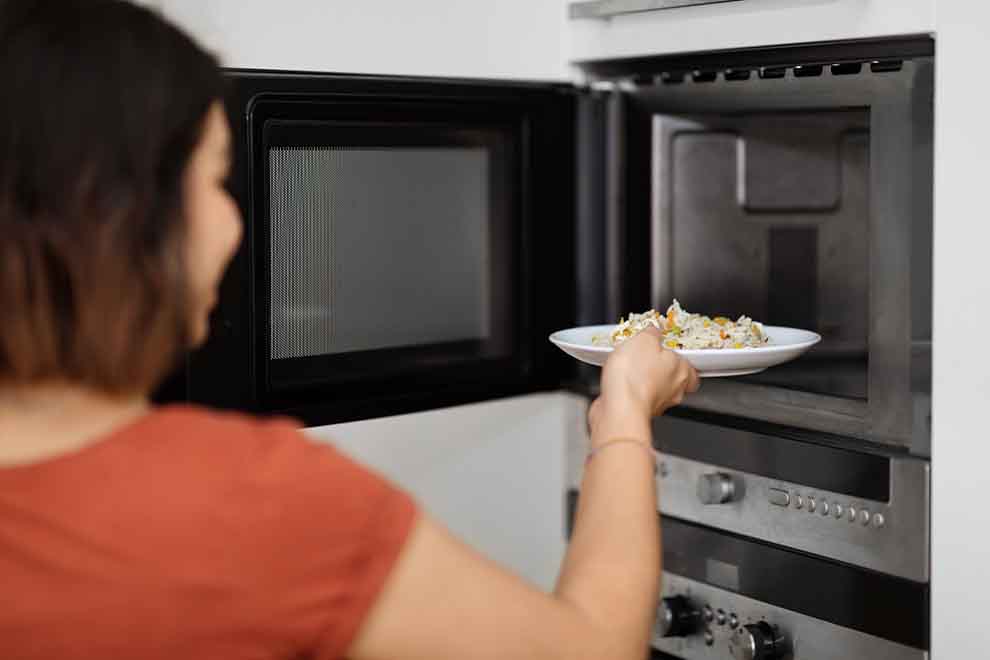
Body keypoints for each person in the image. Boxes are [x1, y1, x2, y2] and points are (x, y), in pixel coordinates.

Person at [0, 1, 700, 658]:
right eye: (216, 179)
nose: (234, 221)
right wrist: (624, 415)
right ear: (122, 219)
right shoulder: (246, 502)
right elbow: (593, 649)